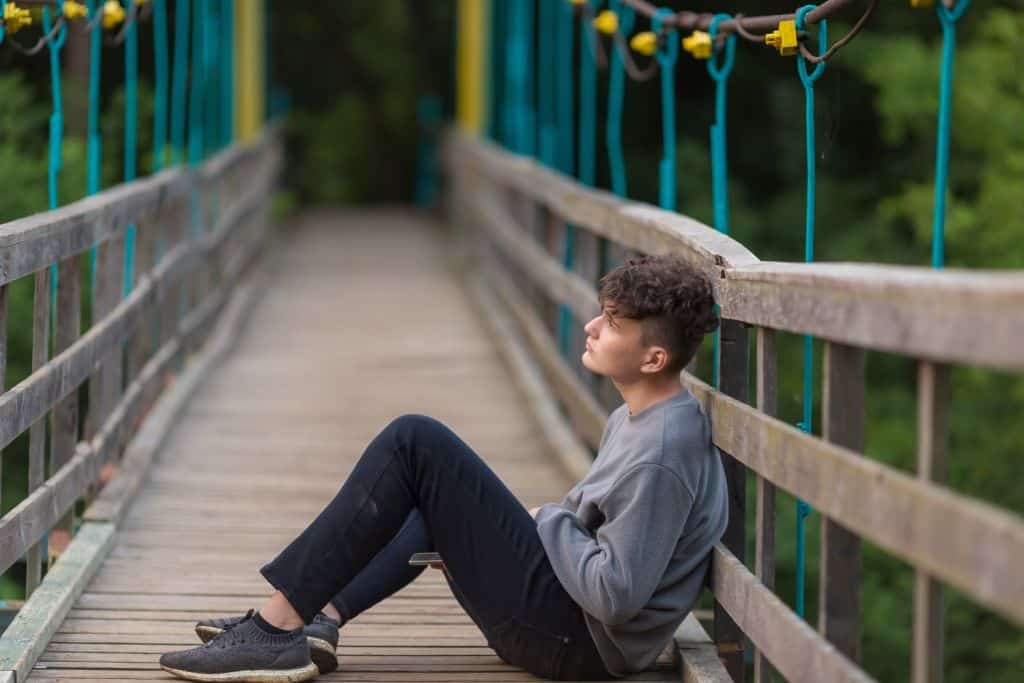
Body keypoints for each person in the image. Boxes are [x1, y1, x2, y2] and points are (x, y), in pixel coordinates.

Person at [158, 254, 729, 682]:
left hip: (577, 644)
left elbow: (616, 596)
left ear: (654, 357)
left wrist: (548, 520)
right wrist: (544, 523)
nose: (591, 327)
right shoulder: (640, 418)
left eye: (611, 323)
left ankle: (276, 627)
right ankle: (315, 618)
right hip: (563, 622)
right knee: (433, 486)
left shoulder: (662, 453)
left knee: (416, 440)